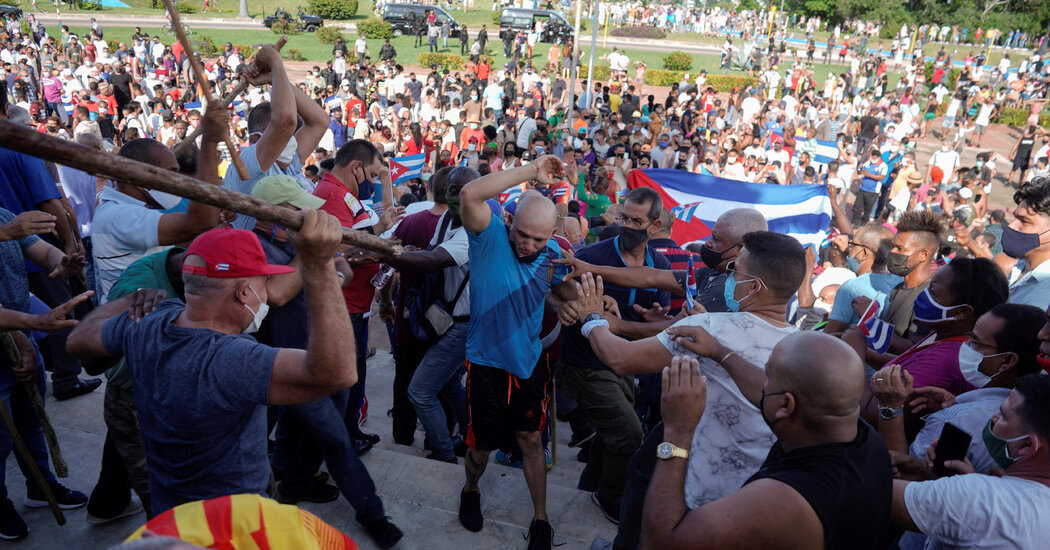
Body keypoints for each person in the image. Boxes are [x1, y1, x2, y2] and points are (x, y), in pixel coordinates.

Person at [67, 213, 357, 516]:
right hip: (232, 524)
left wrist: (130, 301)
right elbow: (337, 374)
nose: (265, 297)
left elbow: (77, 340)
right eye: (265, 283)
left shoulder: (148, 322)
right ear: (244, 292)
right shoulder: (233, 359)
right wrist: (321, 266)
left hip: (171, 514)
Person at [576, 231, 806, 550]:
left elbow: (620, 358)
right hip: (756, 501)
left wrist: (591, 318)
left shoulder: (710, 329)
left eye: (735, 271)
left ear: (754, 286)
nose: (728, 277)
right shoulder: (803, 348)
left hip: (695, 491)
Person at [641, 332, 892, 550]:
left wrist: (678, 431)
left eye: (768, 376)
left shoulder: (785, 500)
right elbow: (773, 395)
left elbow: (659, 543)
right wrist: (719, 351)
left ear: (785, 405)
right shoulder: (863, 439)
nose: (763, 384)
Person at [455, 156, 575, 550]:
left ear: (551, 234)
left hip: (529, 363)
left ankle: (541, 518)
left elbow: (554, 291)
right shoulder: (489, 239)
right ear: (509, 222)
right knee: (481, 445)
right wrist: (530, 173)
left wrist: (571, 304)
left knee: (531, 439)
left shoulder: (552, 253)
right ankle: (471, 489)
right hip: (485, 364)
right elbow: (469, 194)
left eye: (539, 239)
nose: (529, 245)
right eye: (523, 235)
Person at [558, 187, 671, 523]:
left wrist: (654, 319)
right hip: (586, 363)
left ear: (654, 226)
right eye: (624, 218)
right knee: (629, 433)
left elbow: (659, 319)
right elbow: (558, 287)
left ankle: (591, 483)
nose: (627, 226)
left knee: (616, 429)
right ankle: (610, 498)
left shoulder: (660, 265)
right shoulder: (591, 255)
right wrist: (568, 304)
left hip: (626, 364)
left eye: (636, 221)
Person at [0, 207, 93, 540]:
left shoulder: (3, 214)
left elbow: (40, 250)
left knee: (32, 420)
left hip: (21, 334)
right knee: (0, 440)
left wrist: (62, 261)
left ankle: (41, 485)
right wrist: (26, 335)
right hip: (14, 336)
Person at [890, 375, 1050, 549]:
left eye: (1003, 416)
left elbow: (876, 493)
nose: (994, 417)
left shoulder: (980, 499)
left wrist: (888, 407)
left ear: (1027, 445)